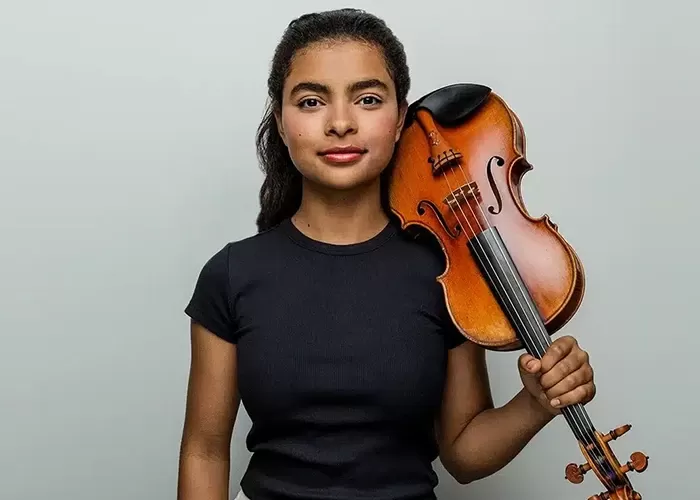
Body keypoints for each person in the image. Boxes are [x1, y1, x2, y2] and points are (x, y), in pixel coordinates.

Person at [177, 8, 596, 500]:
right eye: (311, 101)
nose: (339, 123)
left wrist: (535, 403)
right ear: (282, 120)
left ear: (401, 119)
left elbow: (462, 453)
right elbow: (204, 451)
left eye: (368, 99)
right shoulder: (231, 274)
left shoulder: (449, 271)